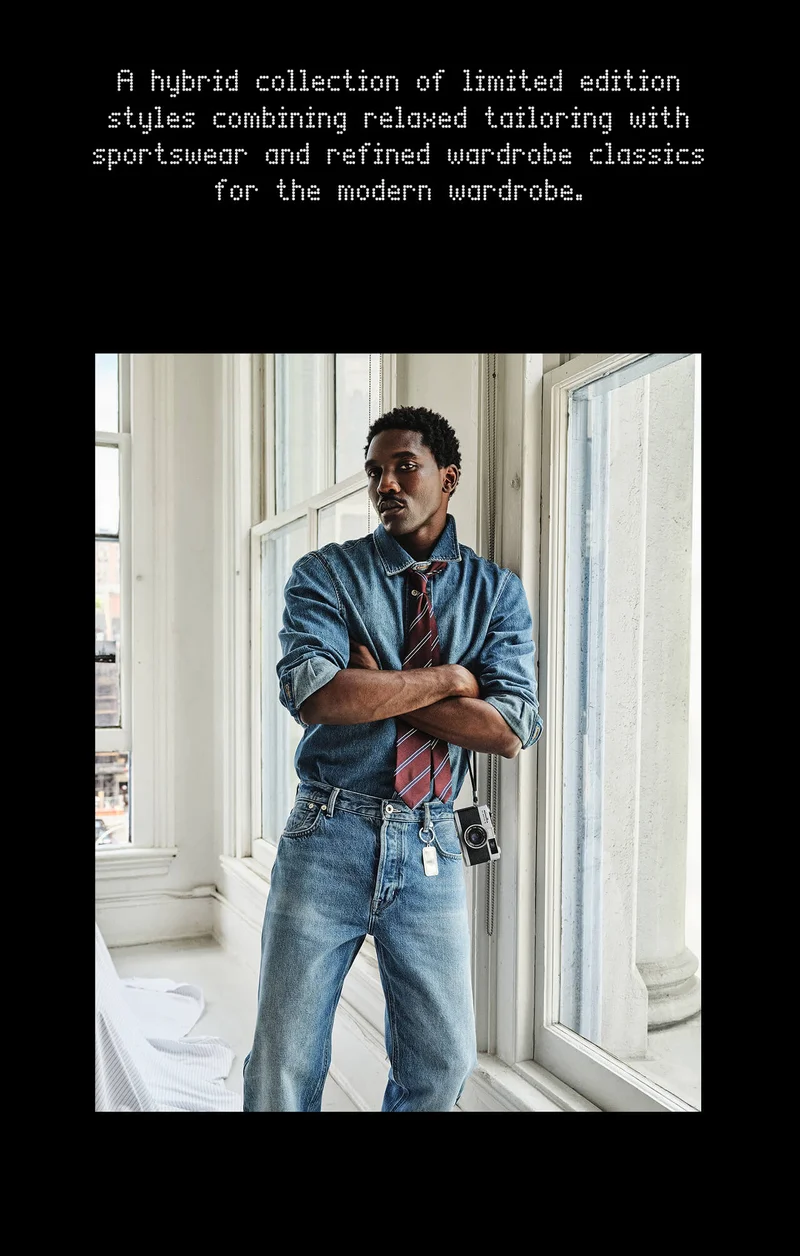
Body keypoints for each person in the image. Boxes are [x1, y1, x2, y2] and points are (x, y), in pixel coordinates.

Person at [242, 405, 542, 1112]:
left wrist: (378, 684)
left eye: (406, 467)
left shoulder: (496, 593)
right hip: (327, 833)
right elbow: (317, 694)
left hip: (434, 837)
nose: (387, 485)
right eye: (375, 472)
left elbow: (510, 728)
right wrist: (450, 679)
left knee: (443, 1062)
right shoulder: (326, 575)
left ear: (449, 477)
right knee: (284, 1059)